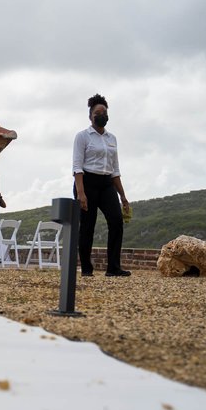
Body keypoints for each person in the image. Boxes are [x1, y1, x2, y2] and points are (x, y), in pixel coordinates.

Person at [72, 94, 131, 277]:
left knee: (116, 221)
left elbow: (115, 170)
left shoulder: (112, 138)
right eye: (98, 112)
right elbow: (77, 167)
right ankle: (87, 269)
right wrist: (81, 193)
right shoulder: (82, 136)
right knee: (88, 226)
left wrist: (123, 196)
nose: (102, 115)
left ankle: (113, 267)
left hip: (107, 184)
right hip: (87, 182)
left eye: (104, 112)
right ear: (91, 116)